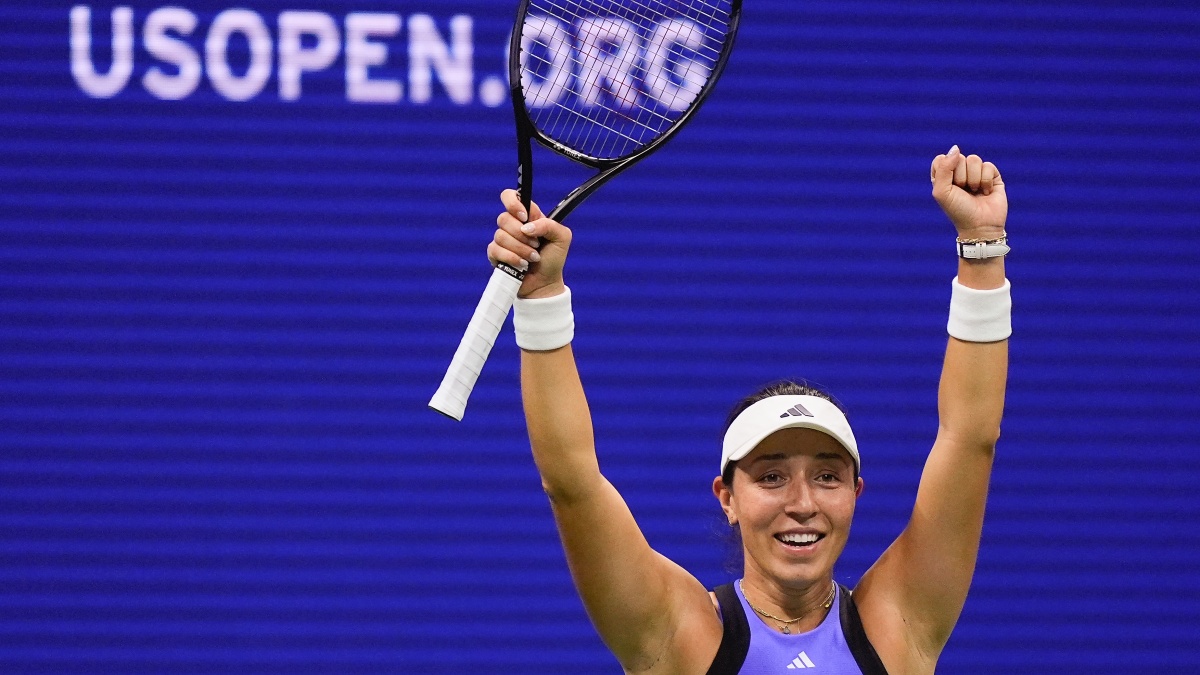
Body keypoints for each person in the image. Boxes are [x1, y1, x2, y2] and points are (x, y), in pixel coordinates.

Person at [486, 146, 1010, 674]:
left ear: (856, 493)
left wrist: (983, 246)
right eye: (772, 477)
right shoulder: (676, 633)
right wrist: (542, 295)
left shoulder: (899, 621)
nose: (802, 503)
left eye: (827, 476)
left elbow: (970, 438)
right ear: (727, 498)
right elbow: (572, 481)